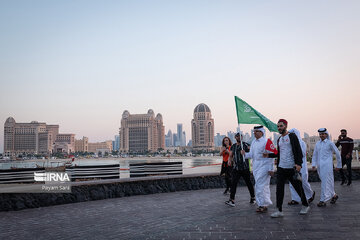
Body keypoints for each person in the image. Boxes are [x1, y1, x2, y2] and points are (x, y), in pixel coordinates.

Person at [263, 119, 310, 217]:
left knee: (298, 188)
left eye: (281, 126)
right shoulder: (279, 139)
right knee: (279, 189)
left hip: (291, 167)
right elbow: (279, 153)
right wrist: (269, 155)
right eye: (278, 126)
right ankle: (279, 210)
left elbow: (298, 151)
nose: (279, 128)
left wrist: (299, 164)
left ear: (285, 126)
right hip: (281, 168)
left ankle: (305, 205)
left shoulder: (292, 136)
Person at [242, 126, 274, 213]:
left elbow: (272, 155)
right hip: (256, 166)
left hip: (265, 166)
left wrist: (271, 168)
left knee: (259, 185)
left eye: (257, 131)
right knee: (264, 186)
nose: (255, 133)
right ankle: (265, 203)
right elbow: (251, 155)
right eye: (254, 131)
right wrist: (245, 154)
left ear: (262, 132)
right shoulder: (253, 142)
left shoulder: (267, 141)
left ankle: (261, 205)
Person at [312, 128, 341, 207]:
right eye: (320, 134)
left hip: (327, 166)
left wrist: (339, 165)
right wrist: (313, 164)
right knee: (326, 182)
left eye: (323, 134)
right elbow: (315, 154)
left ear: (326, 134)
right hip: (320, 166)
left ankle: (323, 200)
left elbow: (337, 153)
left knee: (325, 183)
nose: (321, 135)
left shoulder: (330, 143)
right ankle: (334, 195)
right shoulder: (318, 143)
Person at [225, 132, 255, 207]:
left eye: (241, 136)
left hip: (245, 168)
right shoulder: (233, 146)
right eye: (238, 136)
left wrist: (247, 151)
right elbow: (231, 155)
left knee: (248, 183)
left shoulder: (246, 145)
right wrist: (229, 160)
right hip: (236, 168)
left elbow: (252, 153)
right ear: (235, 137)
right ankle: (232, 200)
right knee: (233, 183)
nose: (239, 137)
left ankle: (253, 197)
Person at [287, 128, 315, 205]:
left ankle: (310, 194)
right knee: (292, 182)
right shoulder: (289, 143)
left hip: (301, 165)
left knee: (303, 181)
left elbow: (301, 153)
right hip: (292, 165)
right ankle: (295, 199)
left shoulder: (302, 143)